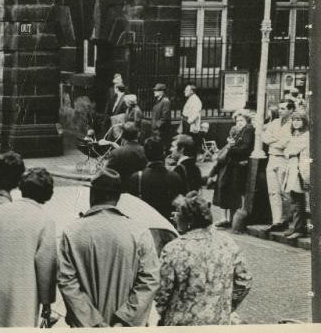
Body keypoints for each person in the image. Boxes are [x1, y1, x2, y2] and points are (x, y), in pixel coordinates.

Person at [58, 168, 160, 327]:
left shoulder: (72, 232)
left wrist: (93, 322)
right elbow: (150, 280)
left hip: (85, 325)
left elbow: (67, 282)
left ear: (92, 194)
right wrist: (124, 319)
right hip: (126, 326)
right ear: (118, 197)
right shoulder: (139, 231)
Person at [0, 168, 57, 327]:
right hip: (20, 293)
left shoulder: (0, 210)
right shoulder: (45, 221)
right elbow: (46, 267)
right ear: (46, 194)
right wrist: (46, 302)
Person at [155, 192, 252, 326]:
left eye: (177, 212)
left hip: (182, 322)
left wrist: (161, 315)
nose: (174, 216)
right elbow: (244, 281)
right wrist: (226, 305)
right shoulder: (228, 243)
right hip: (218, 321)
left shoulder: (174, 249)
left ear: (188, 221)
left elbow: (161, 293)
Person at [210, 110, 255, 229]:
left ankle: (231, 219)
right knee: (225, 188)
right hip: (230, 164)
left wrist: (231, 147)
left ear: (247, 121)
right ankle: (227, 218)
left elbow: (245, 147)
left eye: (242, 120)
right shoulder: (237, 131)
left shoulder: (248, 130)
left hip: (236, 164)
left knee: (232, 190)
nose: (239, 123)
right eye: (237, 120)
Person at [129, 138, 186, 221]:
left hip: (146, 222)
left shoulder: (137, 177)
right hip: (167, 223)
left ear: (145, 155)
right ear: (163, 154)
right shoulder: (175, 176)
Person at [262, 100, 295, 232]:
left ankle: (285, 220)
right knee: (273, 191)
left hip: (284, 159)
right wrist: (276, 140)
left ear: (291, 110)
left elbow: (286, 142)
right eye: (279, 108)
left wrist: (273, 141)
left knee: (284, 192)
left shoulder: (293, 124)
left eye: (283, 108)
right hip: (272, 158)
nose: (280, 111)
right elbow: (264, 137)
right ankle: (276, 220)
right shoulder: (274, 123)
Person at [283, 111, 310, 240]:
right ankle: (296, 226)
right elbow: (287, 150)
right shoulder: (295, 134)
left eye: (299, 120)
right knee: (294, 200)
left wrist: (288, 151)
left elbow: (291, 150)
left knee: (298, 201)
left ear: (304, 121)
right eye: (294, 120)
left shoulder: (305, 135)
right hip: (293, 170)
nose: (296, 122)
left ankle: (300, 229)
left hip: (300, 171)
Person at [151, 83, 172, 152]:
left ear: (161, 92)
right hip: (157, 130)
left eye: (156, 90)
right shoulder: (159, 100)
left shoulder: (165, 101)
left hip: (161, 130)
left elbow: (165, 117)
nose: (154, 92)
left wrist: (157, 125)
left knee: (161, 149)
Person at [180, 84, 202, 148]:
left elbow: (195, 113)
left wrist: (188, 121)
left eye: (186, 90)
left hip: (190, 124)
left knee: (189, 141)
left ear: (192, 91)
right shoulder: (191, 99)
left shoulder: (195, 100)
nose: (184, 91)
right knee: (186, 141)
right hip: (187, 122)